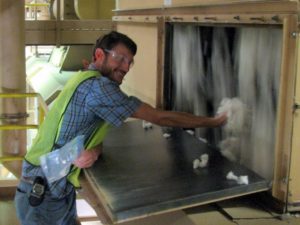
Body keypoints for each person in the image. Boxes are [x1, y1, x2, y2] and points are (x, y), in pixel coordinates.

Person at [14, 31, 227, 225]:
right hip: (44, 196)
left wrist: (93, 150)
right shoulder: (100, 88)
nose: (125, 67)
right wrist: (213, 122)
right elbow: (159, 117)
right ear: (99, 55)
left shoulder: (82, 77)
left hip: (51, 190)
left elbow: (74, 134)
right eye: (120, 58)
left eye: (130, 62)